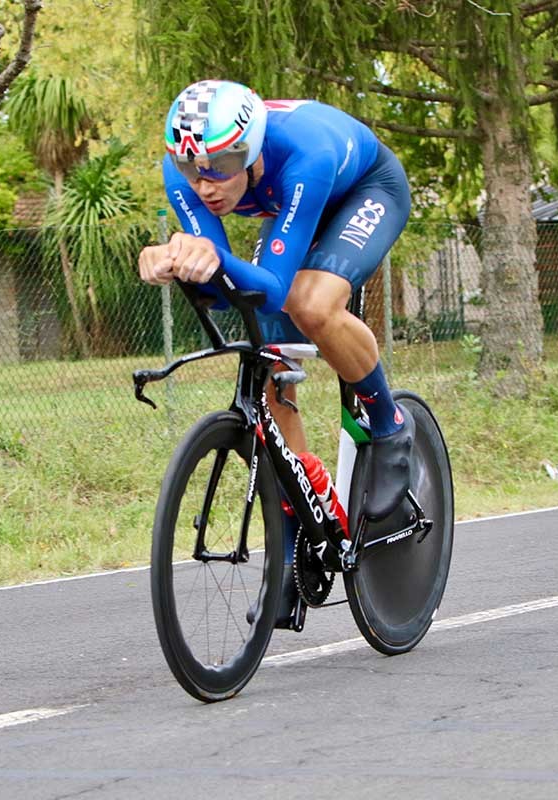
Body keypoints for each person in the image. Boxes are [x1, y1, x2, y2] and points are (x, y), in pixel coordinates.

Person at [137, 79, 415, 622]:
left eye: (222, 164)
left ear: (252, 149)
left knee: (310, 305)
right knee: (265, 339)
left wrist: (208, 259)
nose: (206, 184)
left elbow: (273, 284)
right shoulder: (185, 172)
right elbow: (225, 289)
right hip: (291, 206)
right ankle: (298, 524)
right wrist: (169, 260)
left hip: (364, 190)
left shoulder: (304, 155)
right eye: (194, 169)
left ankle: (388, 424)